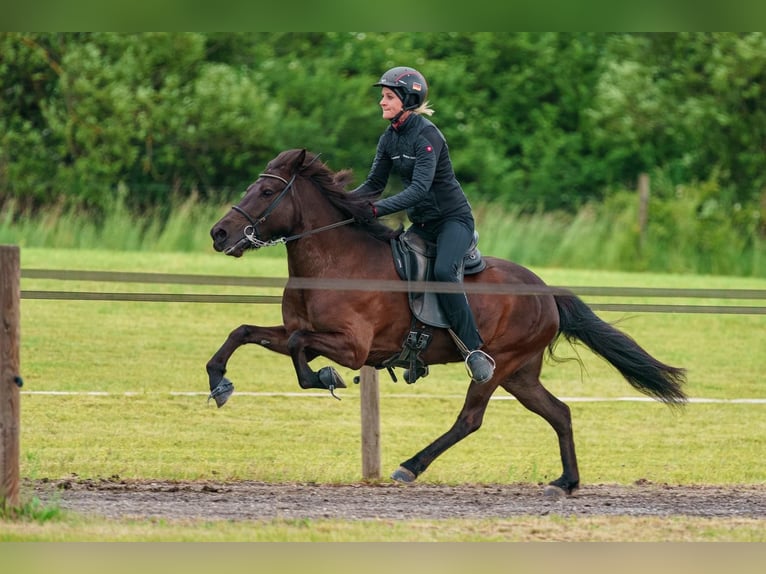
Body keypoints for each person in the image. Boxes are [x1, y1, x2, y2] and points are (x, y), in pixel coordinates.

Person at [352, 66, 495, 384]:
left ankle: (474, 351)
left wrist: (374, 211)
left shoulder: (427, 135)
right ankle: (415, 349)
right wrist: (340, 204)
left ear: (407, 99)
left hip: (453, 221)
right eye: (382, 96)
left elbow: (418, 190)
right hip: (423, 225)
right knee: (394, 267)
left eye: (388, 96)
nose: (381, 102)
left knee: (444, 272)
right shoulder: (389, 138)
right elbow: (374, 184)